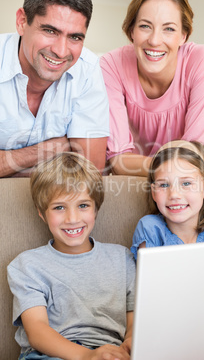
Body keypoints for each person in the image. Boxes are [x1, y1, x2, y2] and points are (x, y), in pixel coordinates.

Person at [100, 0, 204, 199]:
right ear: (131, 31)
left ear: (184, 36)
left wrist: (190, 166)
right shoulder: (110, 65)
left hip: (182, 187)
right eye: (144, 26)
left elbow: (197, 154)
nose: (154, 40)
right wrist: (199, 169)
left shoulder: (202, 61)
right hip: (133, 185)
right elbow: (119, 161)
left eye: (169, 29)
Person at [7, 152, 135, 360]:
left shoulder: (122, 258)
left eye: (83, 205)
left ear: (96, 208)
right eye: (59, 208)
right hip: (48, 355)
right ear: (42, 213)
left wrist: (129, 345)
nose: (73, 218)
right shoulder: (27, 265)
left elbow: (133, 322)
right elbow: (37, 331)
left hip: (110, 352)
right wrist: (88, 356)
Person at [0, 0, 109, 177]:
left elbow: (90, 173)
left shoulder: (88, 69)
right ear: (22, 21)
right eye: (50, 31)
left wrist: (7, 162)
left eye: (75, 37)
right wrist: (50, 149)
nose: (61, 51)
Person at [130, 140, 204, 260]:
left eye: (186, 183)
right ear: (153, 193)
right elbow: (150, 276)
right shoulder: (150, 228)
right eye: (164, 185)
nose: (174, 195)